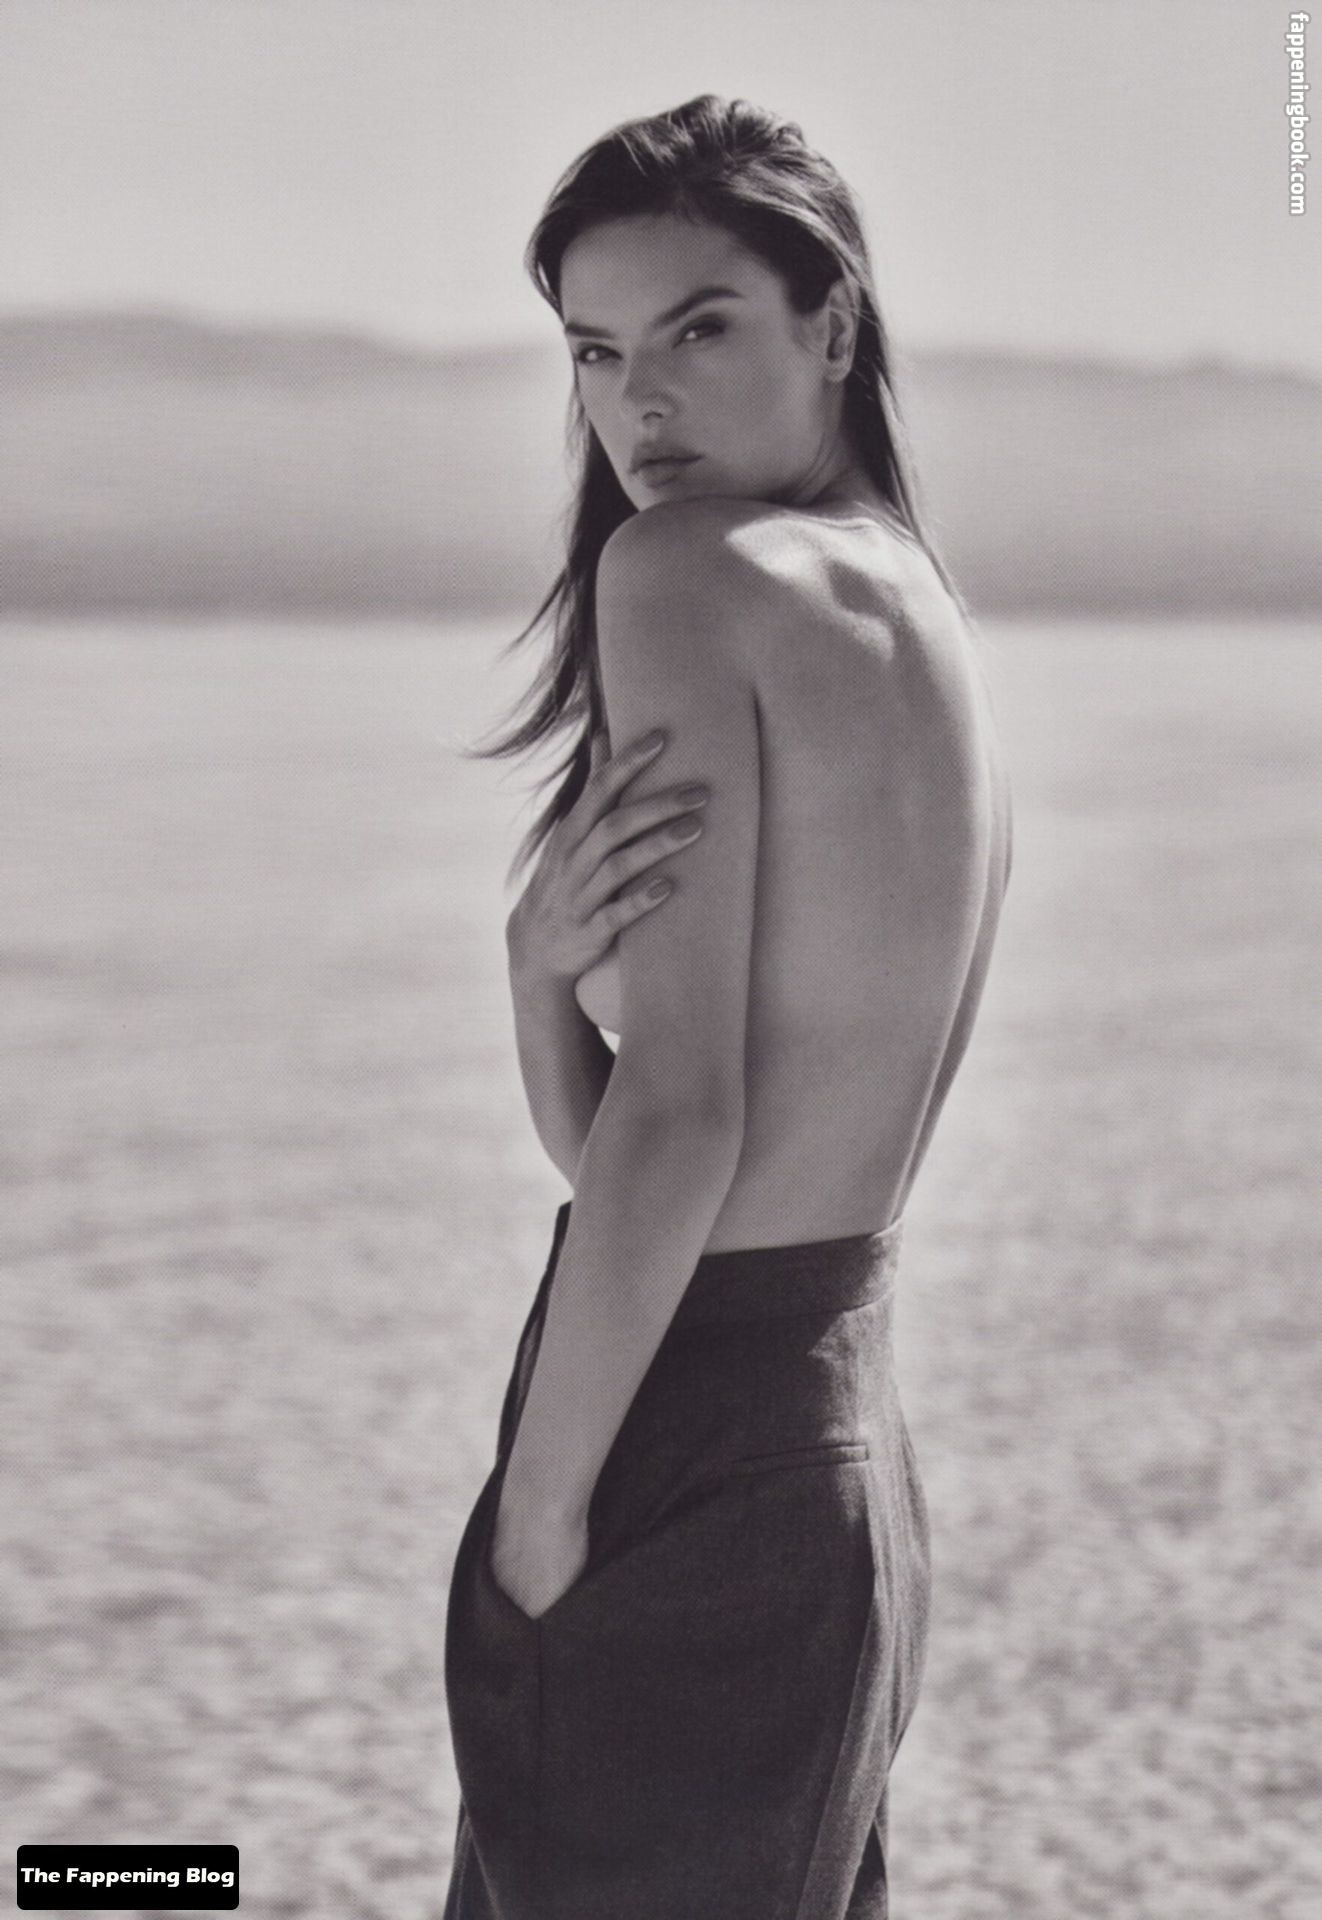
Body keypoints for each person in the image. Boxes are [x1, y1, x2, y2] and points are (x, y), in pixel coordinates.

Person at [443, 92, 1013, 1920]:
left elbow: (683, 1120)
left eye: (698, 329)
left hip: (674, 1447)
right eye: (596, 352)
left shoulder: (684, 574)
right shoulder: (916, 609)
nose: (641, 405)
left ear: (830, 323)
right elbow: (671, 1149)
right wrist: (536, 975)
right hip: (836, 1452)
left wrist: (537, 1518)